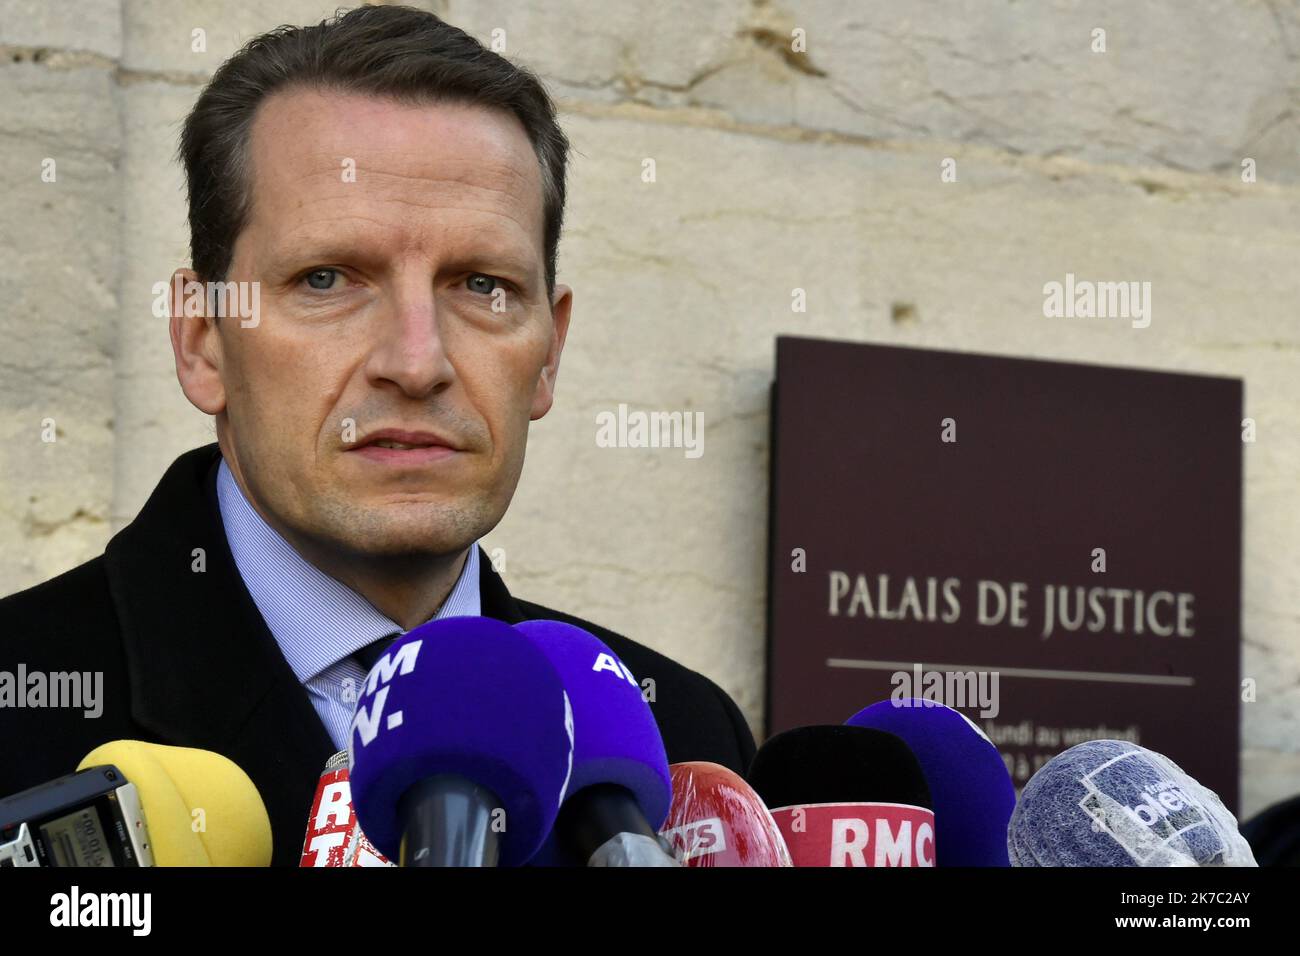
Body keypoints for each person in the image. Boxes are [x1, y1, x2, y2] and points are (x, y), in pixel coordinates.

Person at [0, 5, 754, 866]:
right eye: (327, 279)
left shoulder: (683, 743)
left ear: (549, 353)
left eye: (482, 284)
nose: (416, 362)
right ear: (202, 339)